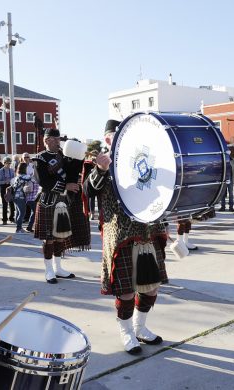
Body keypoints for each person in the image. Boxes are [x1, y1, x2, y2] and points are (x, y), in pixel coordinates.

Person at [83, 119, 167, 355]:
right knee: (126, 290)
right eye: (111, 136)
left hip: (148, 231)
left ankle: (141, 327)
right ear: (107, 138)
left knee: (151, 287)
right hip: (120, 234)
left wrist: (165, 224)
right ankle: (127, 332)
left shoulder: (143, 157)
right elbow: (89, 190)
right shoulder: (100, 162)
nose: (115, 139)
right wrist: (100, 170)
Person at [32, 128, 76, 284]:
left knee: (60, 236)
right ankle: (49, 270)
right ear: (46, 140)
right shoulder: (39, 159)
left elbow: (72, 173)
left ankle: (58, 268)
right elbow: (43, 182)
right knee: (49, 238)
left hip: (62, 201)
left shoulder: (63, 156)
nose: (58, 142)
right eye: (55, 140)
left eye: (59, 140)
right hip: (48, 200)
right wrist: (66, 188)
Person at [10, 162, 35, 233]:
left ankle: (18, 228)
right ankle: (19, 229)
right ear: (24, 168)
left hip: (15, 196)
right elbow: (33, 179)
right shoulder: (25, 176)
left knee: (18, 212)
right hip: (20, 197)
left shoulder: (17, 177)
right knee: (22, 213)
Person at [0, 156, 15, 224]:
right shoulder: (0, 171)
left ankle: (11, 218)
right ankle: (4, 220)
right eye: (7, 163)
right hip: (4, 188)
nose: (9, 164)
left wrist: (12, 181)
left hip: (10, 187)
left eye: (10, 163)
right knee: (4, 204)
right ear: (4, 163)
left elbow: (14, 179)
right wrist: (5, 181)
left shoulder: (12, 170)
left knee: (12, 203)